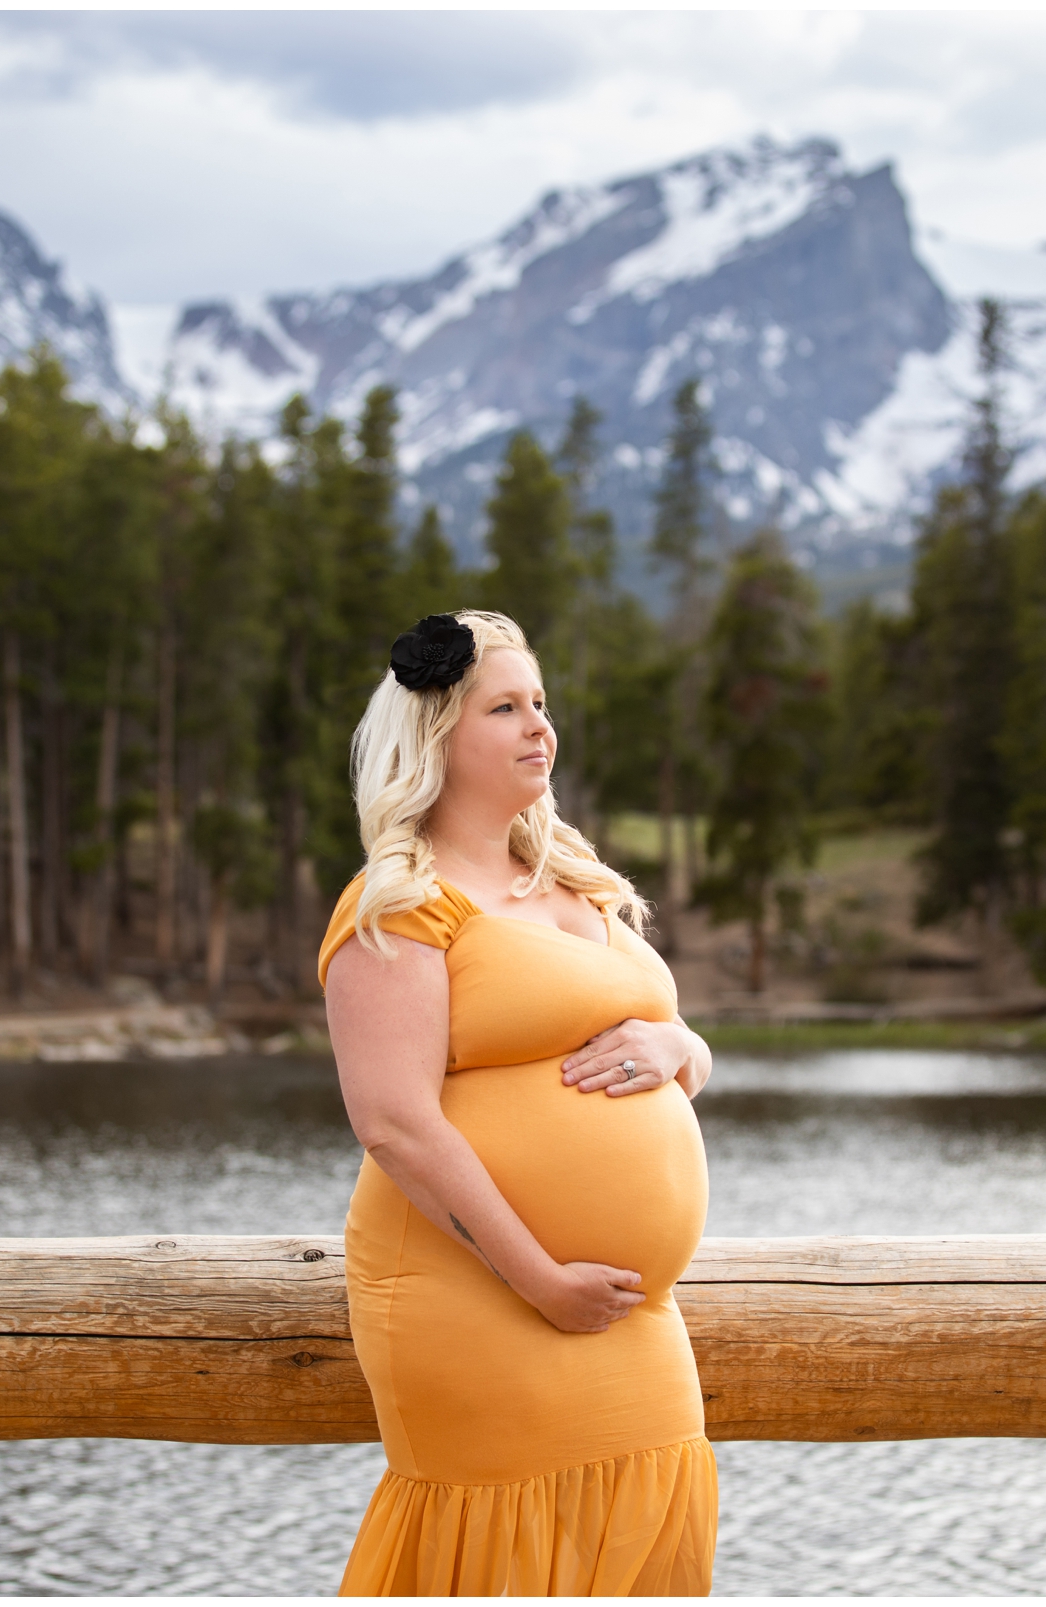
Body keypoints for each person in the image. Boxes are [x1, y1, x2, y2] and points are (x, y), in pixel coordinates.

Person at [319, 609, 717, 1597]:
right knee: (502, 1556)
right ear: (439, 737)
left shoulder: (574, 877)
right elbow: (395, 1123)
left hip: (632, 1311)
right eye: (506, 707)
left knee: (646, 1532)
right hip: (481, 1294)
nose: (540, 725)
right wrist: (538, 1275)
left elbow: (671, 1045)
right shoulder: (401, 902)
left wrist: (681, 1044)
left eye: (540, 701)